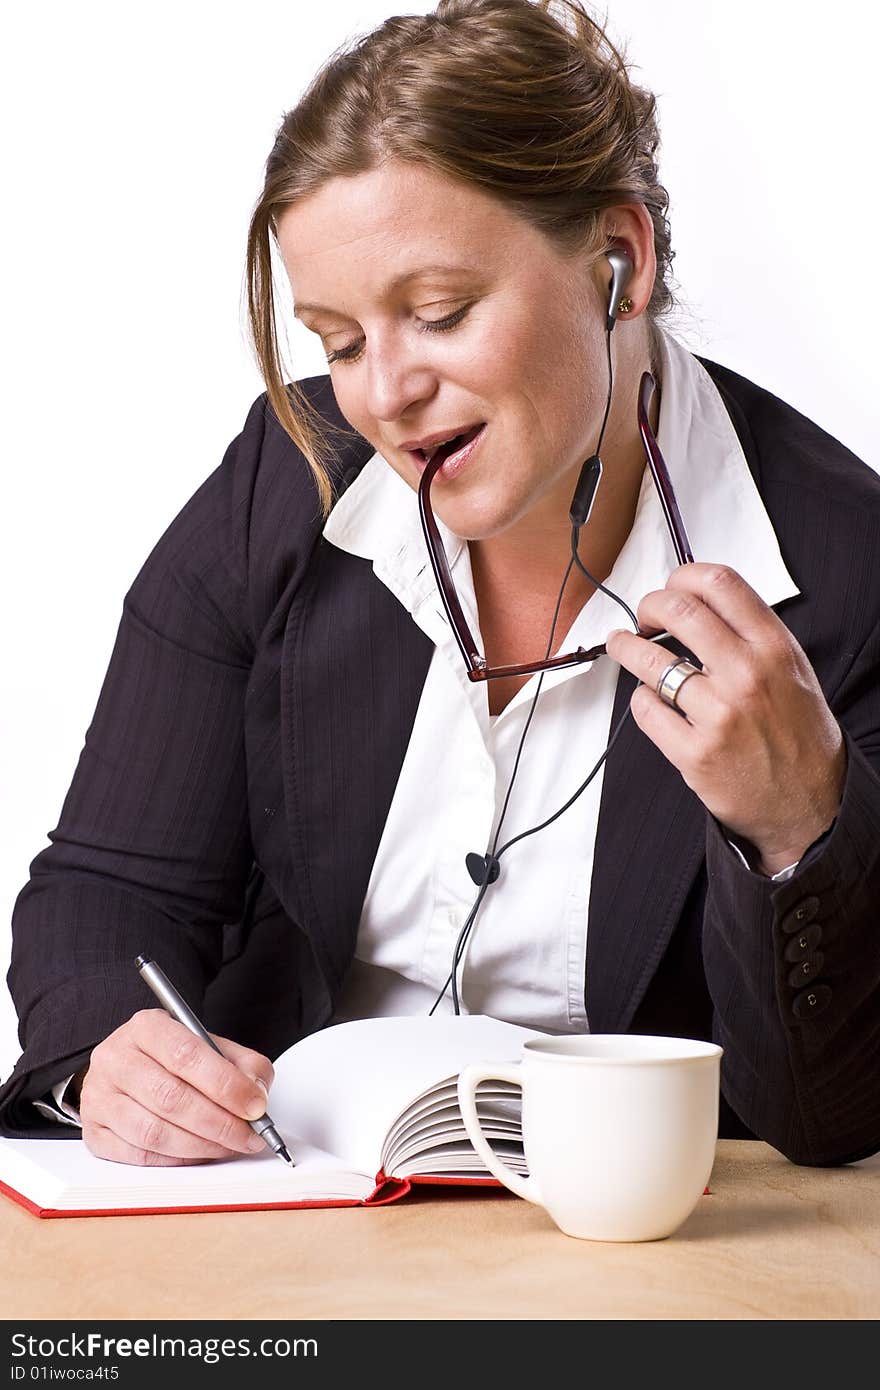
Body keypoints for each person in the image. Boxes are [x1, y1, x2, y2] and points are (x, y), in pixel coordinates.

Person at [1, 0, 878, 1169]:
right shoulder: (286, 480)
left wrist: (796, 829)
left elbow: (831, 1123)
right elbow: (109, 883)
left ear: (619, 260)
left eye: (437, 313)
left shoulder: (842, 567)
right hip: (288, 1208)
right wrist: (117, 1053)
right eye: (342, 339)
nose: (385, 396)